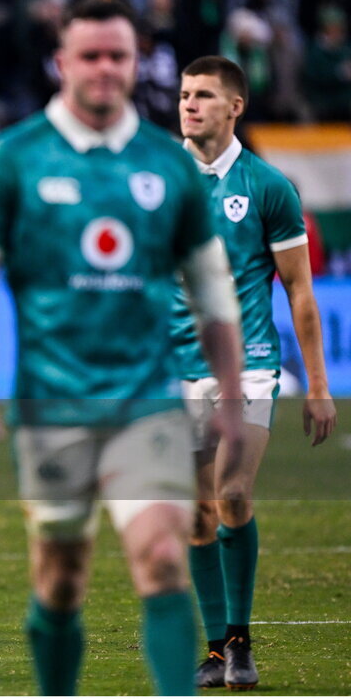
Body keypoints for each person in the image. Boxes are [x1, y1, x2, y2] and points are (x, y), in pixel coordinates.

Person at [0, 0, 246, 695]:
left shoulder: (168, 166)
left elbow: (213, 295)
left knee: (163, 556)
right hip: (53, 406)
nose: (105, 68)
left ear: (136, 62)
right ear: (62, 62)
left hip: (148, 402)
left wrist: (229, 392)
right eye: (91, 55)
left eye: (119, 55)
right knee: (61, 579)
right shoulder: (13, 156)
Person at [173, 55, 337, 690]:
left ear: (234, 106)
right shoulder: (157, 182)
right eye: (185, 95)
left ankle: (240, 642)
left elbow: (299, 292)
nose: (189, 105)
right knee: (194, 517)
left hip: (251, 369)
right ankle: (216, 651)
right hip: (175, 370)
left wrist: (318, 387)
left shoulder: (269, 186)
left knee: (232, 494)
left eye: (204, 96)